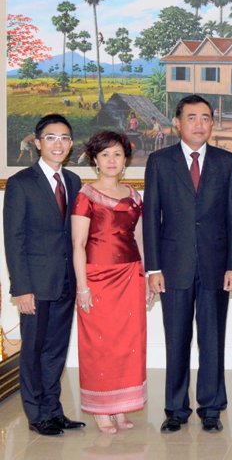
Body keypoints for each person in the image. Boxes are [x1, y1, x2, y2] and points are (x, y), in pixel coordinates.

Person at [143, 94, 232, 434]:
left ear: (212, 123)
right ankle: (175, 409)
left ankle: (211, 408)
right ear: (177, 123)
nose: (199, 124)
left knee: (212, 339)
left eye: (205, 118)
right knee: (177, 340)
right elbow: (151, 217)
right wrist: (153, 268)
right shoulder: (160, 162)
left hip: (216, 266)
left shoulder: (225, 162)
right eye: (191, 118)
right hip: (173, 267)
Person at [3, 114, 86, 436]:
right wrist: (21, 289)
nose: (58, 144)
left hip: (65, 282)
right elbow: (14, 240)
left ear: (71, 143)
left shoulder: (74, 182)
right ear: (38, 143)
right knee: (34, 351)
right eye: (51, 137)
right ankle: (36, 414)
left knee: (56, 351)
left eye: (64, 138)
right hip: (35, 286)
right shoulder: (21, 183)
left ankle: (54, 410)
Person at [72, 131, 151, 433]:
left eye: (117, 154)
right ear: (95, 159)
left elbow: (139, 238)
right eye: (105, 154)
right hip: (97, 278)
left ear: (125, 159)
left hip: (130, 276)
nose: (111, 160)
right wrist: (82, 287)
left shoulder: (133, 195)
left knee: (128, 344)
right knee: (99, 344)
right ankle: (100, 408)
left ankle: (120, 406)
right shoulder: (86, 196)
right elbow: (78, 244)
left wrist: (146, 276)